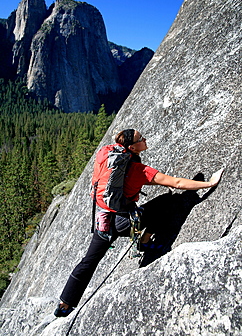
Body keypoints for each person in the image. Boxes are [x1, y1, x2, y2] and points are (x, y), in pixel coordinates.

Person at [54, 129, 224, 317]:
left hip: (103, 220)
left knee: (89, 261)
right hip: (124, 222)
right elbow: (176, 183)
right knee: (167, 202)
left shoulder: (107, 155)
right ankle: (145, 241)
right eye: (140, 139)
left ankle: (65, 303)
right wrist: (209, 184)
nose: (145, 139)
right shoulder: (139, 170)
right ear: (133, 147)